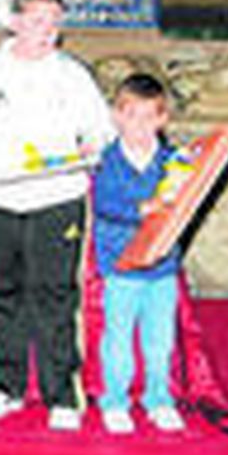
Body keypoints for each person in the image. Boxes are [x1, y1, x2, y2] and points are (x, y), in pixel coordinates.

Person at [0, 0, 114, 432]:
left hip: (57, 198)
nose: (46, 31)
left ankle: (61, 395)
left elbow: (99, 133)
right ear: (14, 22)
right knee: (1, 295)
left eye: (54, 23)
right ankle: (2, 385)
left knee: (54, 295)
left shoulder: (73, 76)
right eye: (36, 21)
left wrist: (94, 144)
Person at [91, 73, 189, 435]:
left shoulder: (173, 161)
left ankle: (158, 398)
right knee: (118, 338)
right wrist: (142, 207)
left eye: (150, 117)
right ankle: (115, 401)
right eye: (132, 115)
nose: (140, 126)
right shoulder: (106, 160)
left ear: (163, 120)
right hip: (121, 265)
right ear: (116, 115)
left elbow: (183, 201)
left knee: (159, 340)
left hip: (162, 266)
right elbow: (103, 202)